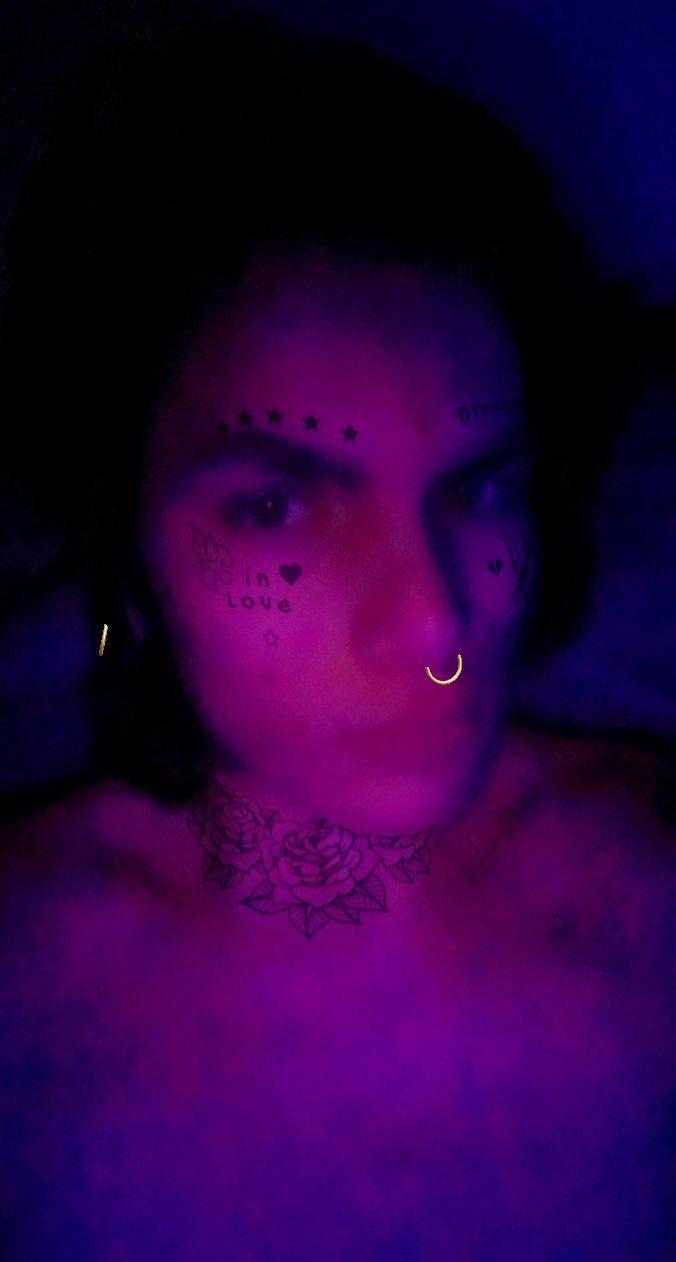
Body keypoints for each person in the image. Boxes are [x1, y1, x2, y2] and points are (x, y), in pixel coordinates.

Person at [1, 9, 674, 1259]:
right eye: (277, 509)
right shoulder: (26, 971)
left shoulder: (649, 882)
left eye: (479, 487)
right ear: (127, 556)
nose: (436, 619)